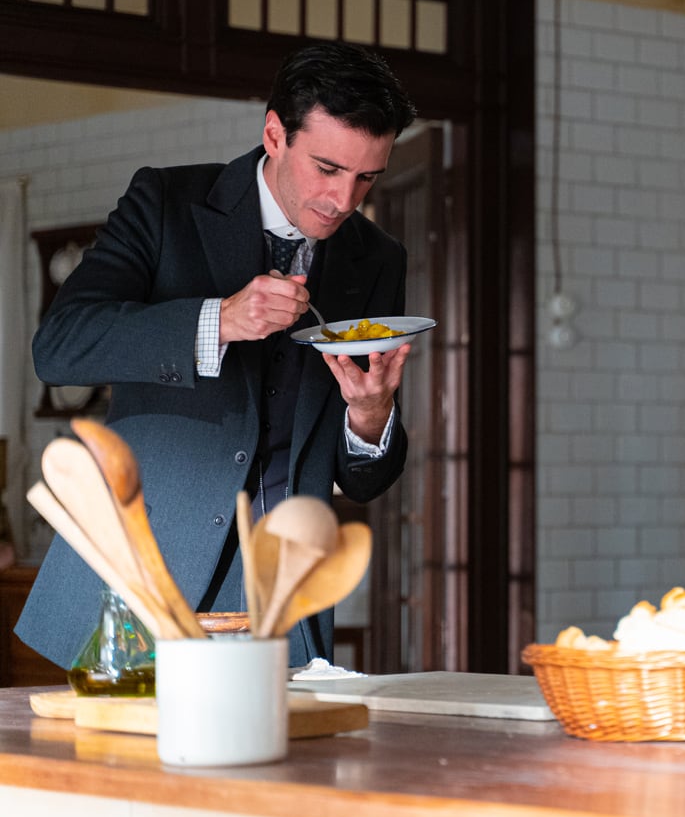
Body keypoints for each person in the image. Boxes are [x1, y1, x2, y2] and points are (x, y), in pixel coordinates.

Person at [19, 41, 418, 667]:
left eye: (367, 176)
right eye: (327, 168)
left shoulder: (377, 259)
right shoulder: (165, 204)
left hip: (281, 603)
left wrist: (370, 419)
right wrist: (219, 321)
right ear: (275, 134)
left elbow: (363, 479)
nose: (344, 200)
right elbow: (60, 346)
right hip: (139, 581)